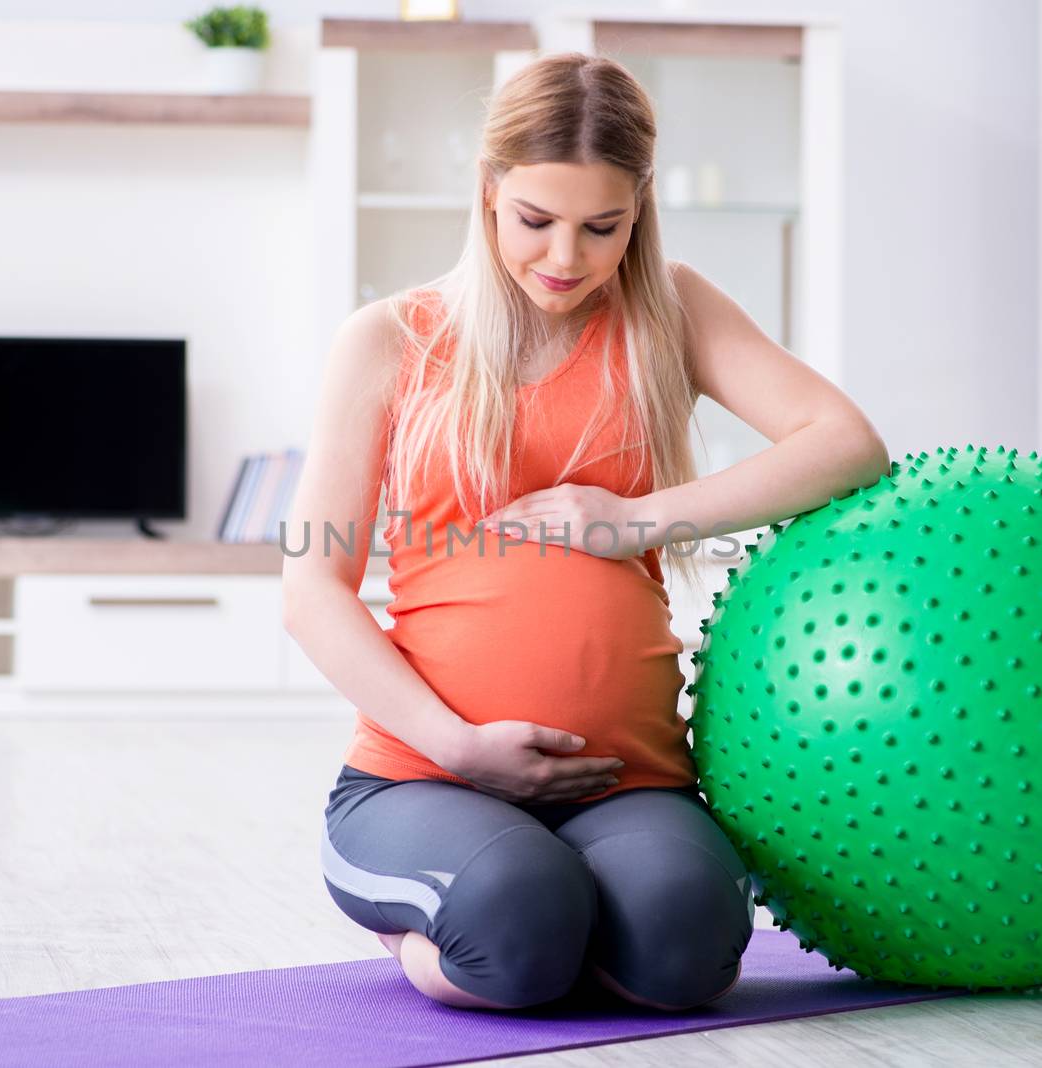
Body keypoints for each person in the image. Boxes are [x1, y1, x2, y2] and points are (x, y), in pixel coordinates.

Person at [282, 52, 890, 1012]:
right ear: (489, 194)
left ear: (640, 207)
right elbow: (312, 588)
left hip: (628, 780)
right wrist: (459, 743)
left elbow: (847, 444)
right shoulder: (392, 339)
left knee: (689, 951)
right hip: (424, 776)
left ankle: (568, 910)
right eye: (536, 222)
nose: (564, 258)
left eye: (600, 227)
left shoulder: (670, 311)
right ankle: (483, 915)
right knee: (519, 927)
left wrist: (639, 518)